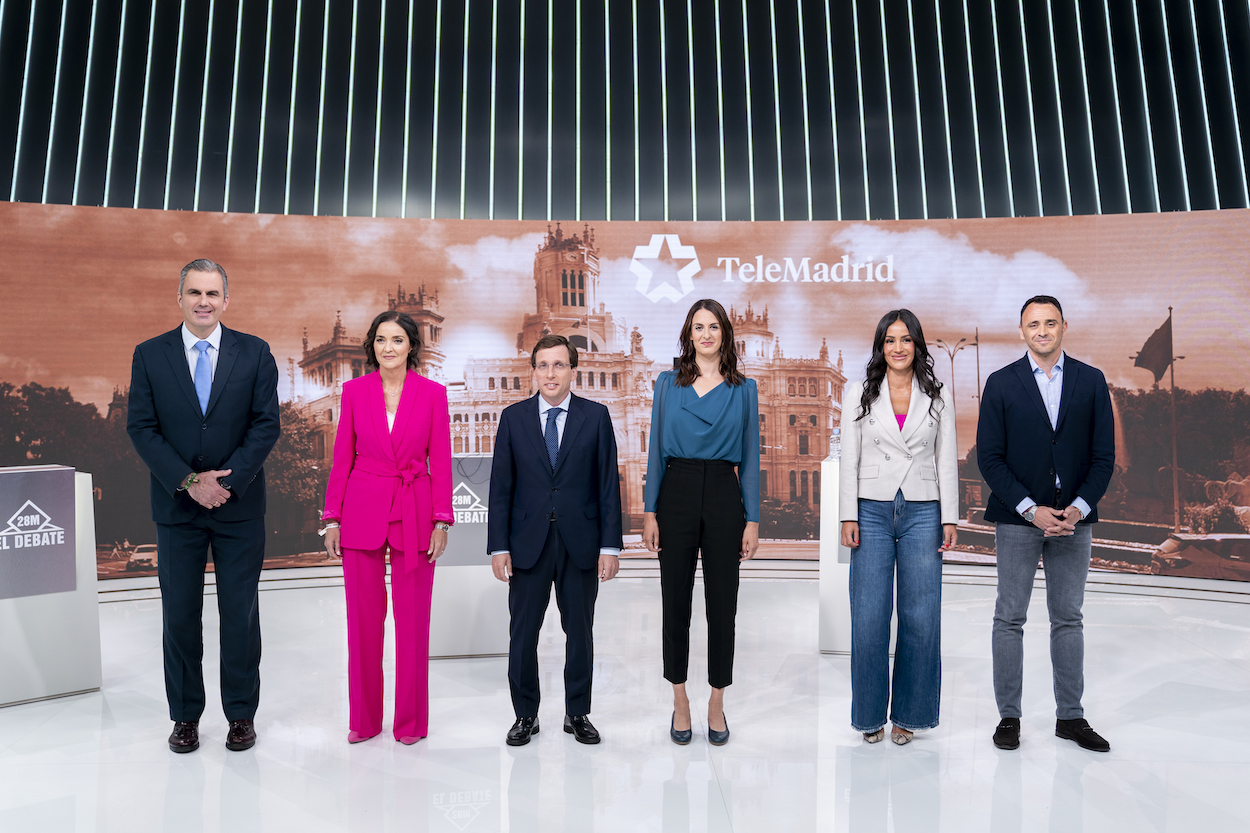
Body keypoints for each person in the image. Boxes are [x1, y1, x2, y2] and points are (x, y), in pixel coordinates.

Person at [127, 259, 280, 753]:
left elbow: (265, 425)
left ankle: (240, 715)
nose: (203, 301)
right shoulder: (149, 355)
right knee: (179, 618)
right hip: (177, 509)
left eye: (213, 293)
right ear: (180, 298)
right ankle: (185, 717)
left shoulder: (255, 353)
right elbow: (142, 429)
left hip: (239, 509)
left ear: (226, 300)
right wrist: (190, 482)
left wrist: (223, 484)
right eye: (194, 292)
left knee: (240, 617)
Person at [977, 295, 1115, 753]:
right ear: (1021, 331)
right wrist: (1029, 509)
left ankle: (1071, 718)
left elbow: (1103, 458)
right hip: (1019, 520)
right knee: (1009, 618)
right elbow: (990, 460)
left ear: (1063, 327)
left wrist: (1076, 508)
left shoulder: (1092, 381)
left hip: (1074, 521)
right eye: (1033, 324)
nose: (1042, 331)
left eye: (1049, 323)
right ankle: (1009, 718)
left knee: (1068, 619)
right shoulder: (1000, 383)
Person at [321, 310, 453, 745]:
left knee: (413, 624)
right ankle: (364, 720)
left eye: (397, 339)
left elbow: (442, 461)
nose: (388, 348)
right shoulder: (354, 392)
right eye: (380, 340)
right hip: (361, 510)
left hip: (416, 510)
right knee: (362, 623)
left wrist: (441, 520)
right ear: (371, 345)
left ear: (411, 345)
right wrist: (332, 517)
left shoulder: (433, 394)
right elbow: (343, 459)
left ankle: (411, 723)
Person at [488, 334, 623, 746]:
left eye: (559, 365)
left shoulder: (596, 416)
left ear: (572, 370)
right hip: (527, 542)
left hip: (580, 542)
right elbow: (501, 488)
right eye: (543, 365)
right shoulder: (512, 419)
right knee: (522, 634)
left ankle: (577, 712)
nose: (550, 373)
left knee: (579, 633)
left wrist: (610, 546)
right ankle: (525, 715)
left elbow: (607, 486)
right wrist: (499, 546)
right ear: (533, 371)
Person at [643, 298, 760, 747]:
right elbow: (655, 451)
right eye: (698, 326)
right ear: (688, 335)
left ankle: (716, 699)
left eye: (714, 326)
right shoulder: (667, 384)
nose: (706, 334)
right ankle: (679, 699)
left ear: (725, 335)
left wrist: (752, 520)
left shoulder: (743, 389)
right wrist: (650, 511)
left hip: (725, 496)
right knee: (675, 603)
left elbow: (748, 461)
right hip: (676, 490)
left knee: (722, 607)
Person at [838, 310, 958, 745]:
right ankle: (869, 715)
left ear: (918, 345)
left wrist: (950, 518)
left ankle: (911, 713)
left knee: (921, 617)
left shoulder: (939, 395)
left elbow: (946, 457)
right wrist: (846, 514)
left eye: (906, 340)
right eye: (890, 340)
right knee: (868, 616)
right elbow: (849, 457)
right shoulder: (858, 393)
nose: (899, 347)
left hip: (924, 510)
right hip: (870, 509)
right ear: (880, 346)